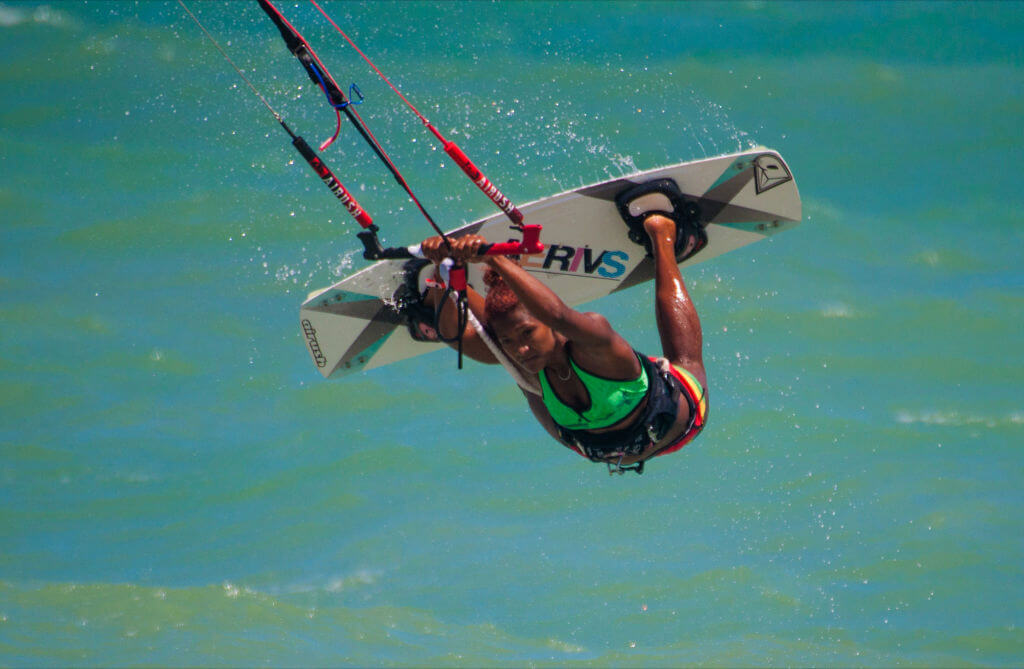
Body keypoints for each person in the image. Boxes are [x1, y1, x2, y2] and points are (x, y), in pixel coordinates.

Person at [418, 187, 709, 474]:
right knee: (494, 347)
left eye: (529, 333)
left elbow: (557, 314)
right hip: (610, 443)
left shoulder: (596, 340)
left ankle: (664, 235)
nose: (521, 348)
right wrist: (444, 269)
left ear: (550, 327)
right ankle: (449, 288)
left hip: (674, 420)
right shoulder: (524, 358)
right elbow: (471, 338)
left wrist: (496, 259)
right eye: (512, 340)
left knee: (686, 362)